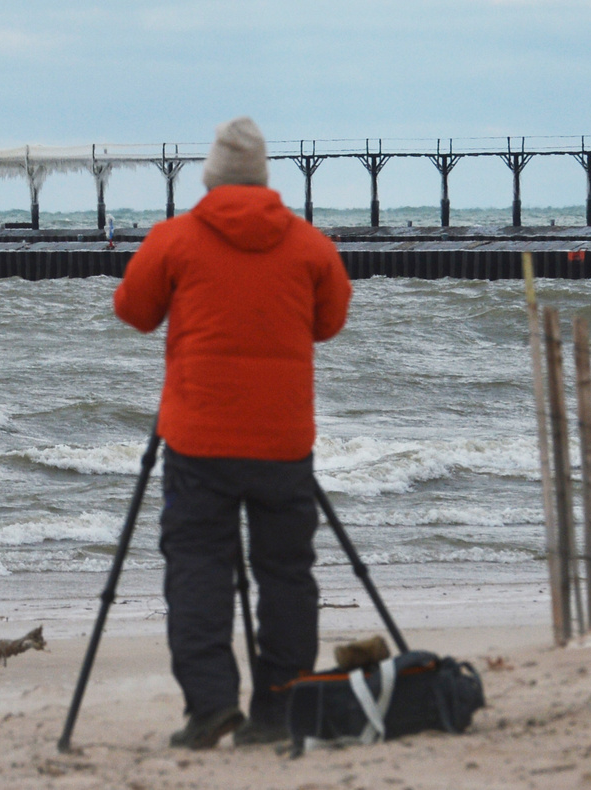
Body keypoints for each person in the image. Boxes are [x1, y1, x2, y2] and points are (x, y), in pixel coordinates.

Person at [113, 116, 352, 749]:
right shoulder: (309, 246)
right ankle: (278, 709)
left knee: (197, 569)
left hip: (197, 441)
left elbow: (134, 311)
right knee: (287, 574)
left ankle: (212, 706)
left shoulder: (176, 239)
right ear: (263, 178)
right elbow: (329, 323)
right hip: (283, 442)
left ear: (212, 179)